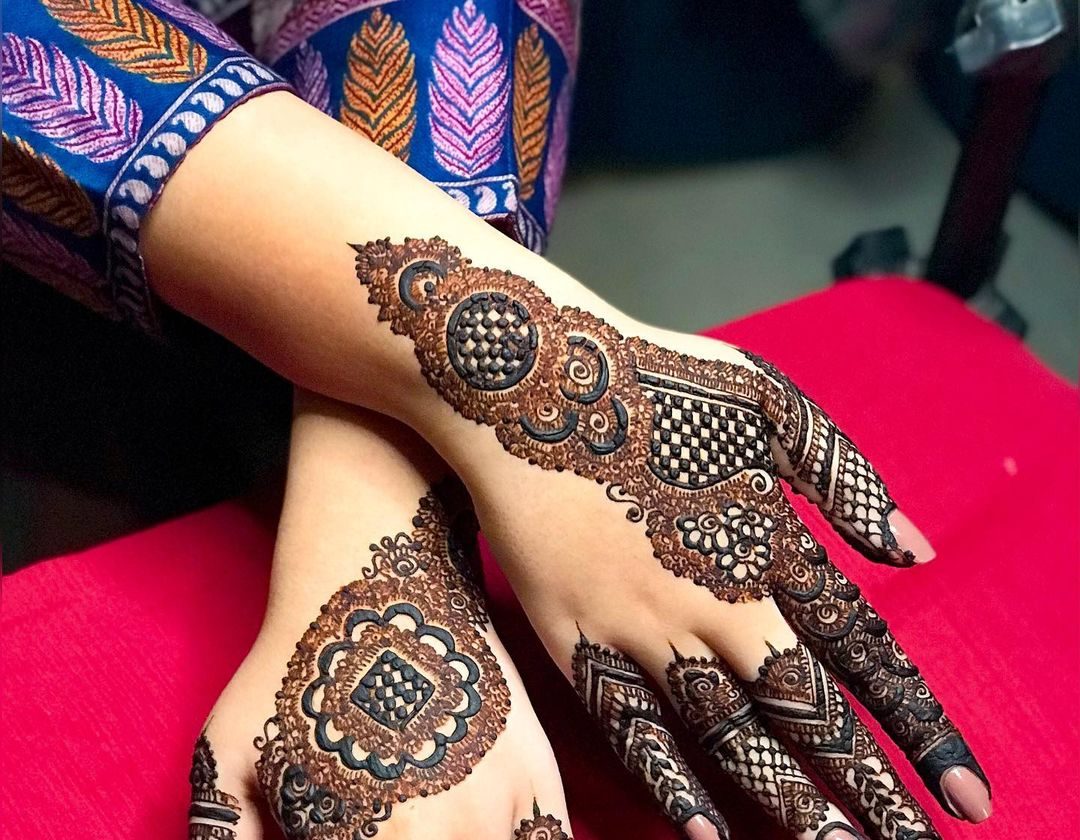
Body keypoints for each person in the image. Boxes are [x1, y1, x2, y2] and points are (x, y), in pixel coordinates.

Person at [2, 1, 992, 838]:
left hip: (334, 175)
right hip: (62, 306)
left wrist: (373, 525)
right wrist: (520, 384)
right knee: (122, 461)